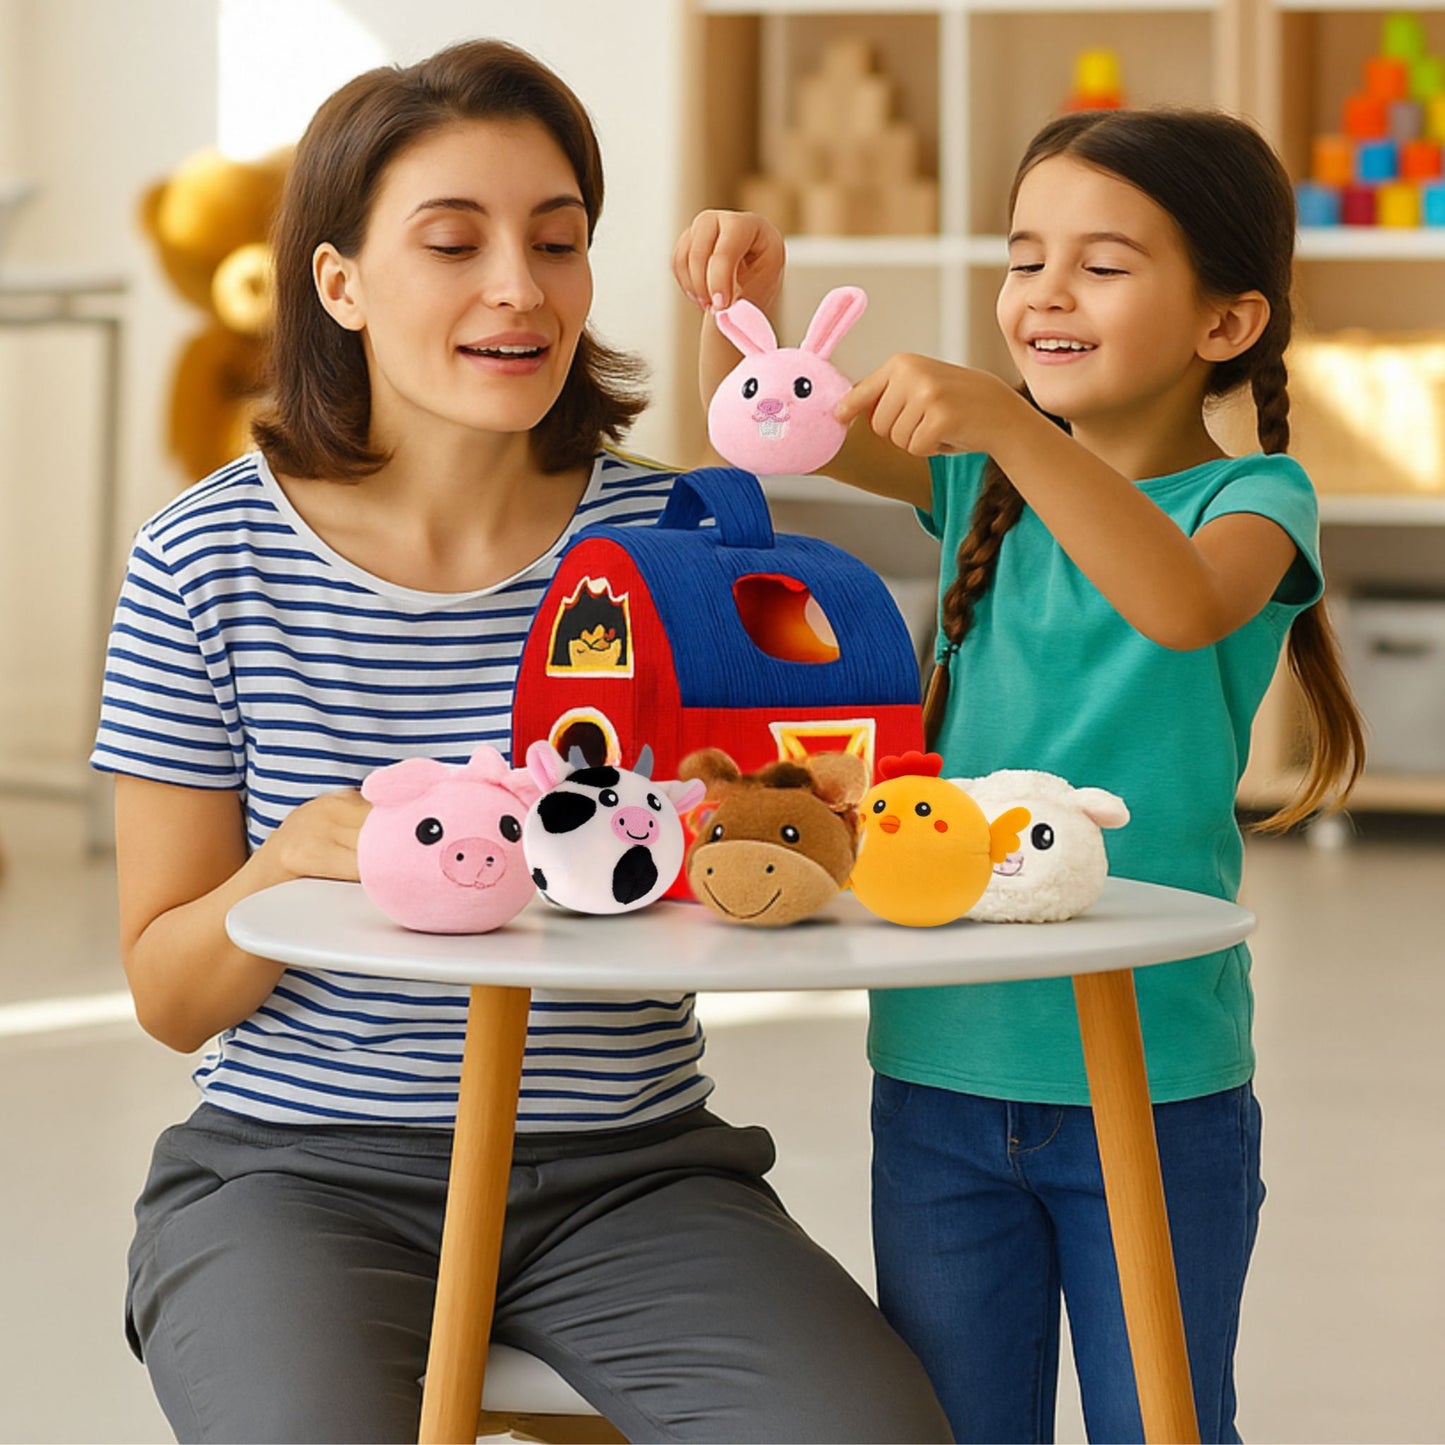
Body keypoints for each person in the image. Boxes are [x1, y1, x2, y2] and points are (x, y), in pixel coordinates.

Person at [93, 39, 951, 1445]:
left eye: (558, 241)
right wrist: (284, 876)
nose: (519, 286)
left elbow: (791, 813)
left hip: (634, 1173)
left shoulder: (664, 541)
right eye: (453, 241)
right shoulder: (205, 560)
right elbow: (171, 995)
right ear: (339, 283)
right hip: (297, 1180)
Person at [675, 107, 1365, 1444]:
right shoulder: (982, 474)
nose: (1042, 292)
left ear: (1227, 323)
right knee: (958, 1425)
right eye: (1020, 256)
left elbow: (1170, 603)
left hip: (1152, 1079)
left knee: (1157, 1423)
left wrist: (1007, 425)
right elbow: (775, 437)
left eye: (1100, 264)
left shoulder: (1255, 504)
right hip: (936, 1058)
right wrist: (745, 316)